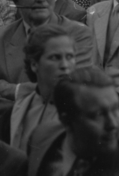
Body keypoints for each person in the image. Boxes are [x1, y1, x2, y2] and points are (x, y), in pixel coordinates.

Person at [9, 23, 78, 152]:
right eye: (55, 57)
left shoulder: (86, 108)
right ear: (34, 64)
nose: (65, 65)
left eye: (70, 57)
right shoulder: (18, 111)